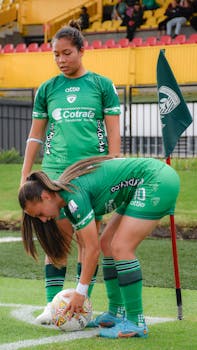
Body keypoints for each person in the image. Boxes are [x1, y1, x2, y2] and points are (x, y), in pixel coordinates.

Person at [20, 20, 121, 325]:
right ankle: (52, 307)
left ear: (81, 50)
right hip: (54, 176)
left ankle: (81, 305)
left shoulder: (102, 85)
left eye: (67, 53)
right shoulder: (48, 89)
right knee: (57, 241)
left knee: (86, 240)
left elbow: (113, 132)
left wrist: (113, 165)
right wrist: (27, 175)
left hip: (92, 175)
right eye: (56, 55)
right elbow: (36, 136)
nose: (61, 60)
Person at [18, 155, 180, 339]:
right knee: (107, 243)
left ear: (46, 196)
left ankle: (136, 321)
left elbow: (91, 249)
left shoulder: (74, 197)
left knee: (120, 247)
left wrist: (81, 293)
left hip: (156, 180)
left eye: (39, 213)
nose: (43, 220)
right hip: (143, 183)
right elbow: (91, 247)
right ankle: (116, 312)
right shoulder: (67, 199)